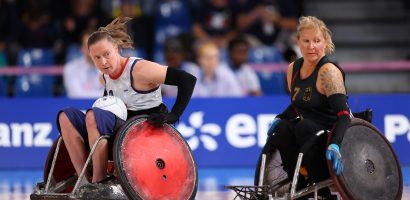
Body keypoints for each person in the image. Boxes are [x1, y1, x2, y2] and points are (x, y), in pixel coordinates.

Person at [56, 16, 196, 184]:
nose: (103, 62)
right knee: (66, 116)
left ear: (116, 48)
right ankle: (84, 181)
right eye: (97, 58)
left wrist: (174, 114)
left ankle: (99, 181)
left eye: (106, 54)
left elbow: (187, 79)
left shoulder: (140, 69)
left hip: (142, 126)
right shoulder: (104, 77)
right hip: (120, 128)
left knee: (92, 116)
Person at [266, 16, 349, 198]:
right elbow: (298, 104)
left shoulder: (328, 72)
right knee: (282, 129)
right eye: (306, 41)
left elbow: (343, 115)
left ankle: (321, 188)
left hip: (329, 133)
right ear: (299, 43)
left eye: (317, 41)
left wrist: (336, 143)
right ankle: (300, 184)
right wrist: (280, 118)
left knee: (305, 126)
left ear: (325, 43)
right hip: (307, 131)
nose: (311, 46)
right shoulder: (293, 69)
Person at [63, 30, 104, 98]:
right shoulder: (70, 68)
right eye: (88, 46)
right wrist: (103, 95)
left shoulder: (108, 68)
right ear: (82, 48)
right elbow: (76, 95)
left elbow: (111, 94)